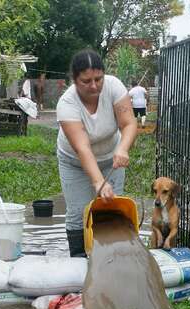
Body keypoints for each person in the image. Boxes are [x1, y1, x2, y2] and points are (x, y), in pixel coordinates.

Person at [56, 49, 138, 257]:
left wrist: (123, 148)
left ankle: (110, 257)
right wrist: (98, 181)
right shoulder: (67, 104)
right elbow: (82, 148)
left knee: (111, 207)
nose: (94, 86)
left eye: (98, 79)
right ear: (74, 80)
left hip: (111, 157)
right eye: (86, 81)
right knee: (78, 212)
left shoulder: (114, 87)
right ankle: (78, 260)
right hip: (74, 161)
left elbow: (128, 123)